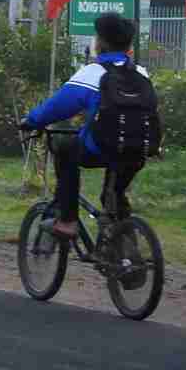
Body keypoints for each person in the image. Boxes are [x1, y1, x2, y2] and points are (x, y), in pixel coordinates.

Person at [20, 12, 153, 239]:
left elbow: (57, 107)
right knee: (113, 195)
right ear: (128, 45)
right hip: (140, 148)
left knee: (65, 149)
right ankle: (126, 249)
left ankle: (67, 220)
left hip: (103, 148)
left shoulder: (92, 73)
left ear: (99, 43)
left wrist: (31, 121)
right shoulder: (141, 74)